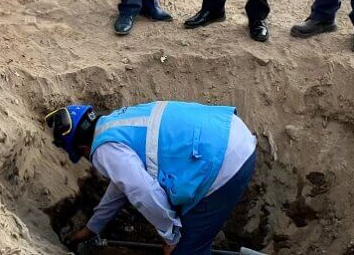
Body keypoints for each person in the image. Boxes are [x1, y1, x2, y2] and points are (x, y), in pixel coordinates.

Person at [46, 101, 257, 255]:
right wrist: (93, 227)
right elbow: (123, 184)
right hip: (232, 135)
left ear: (83, 148)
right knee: (187, 237)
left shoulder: (103, 149)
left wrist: (171, 237)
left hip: (221, 164)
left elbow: (142, 192)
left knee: (184, 251)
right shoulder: (115, 123)